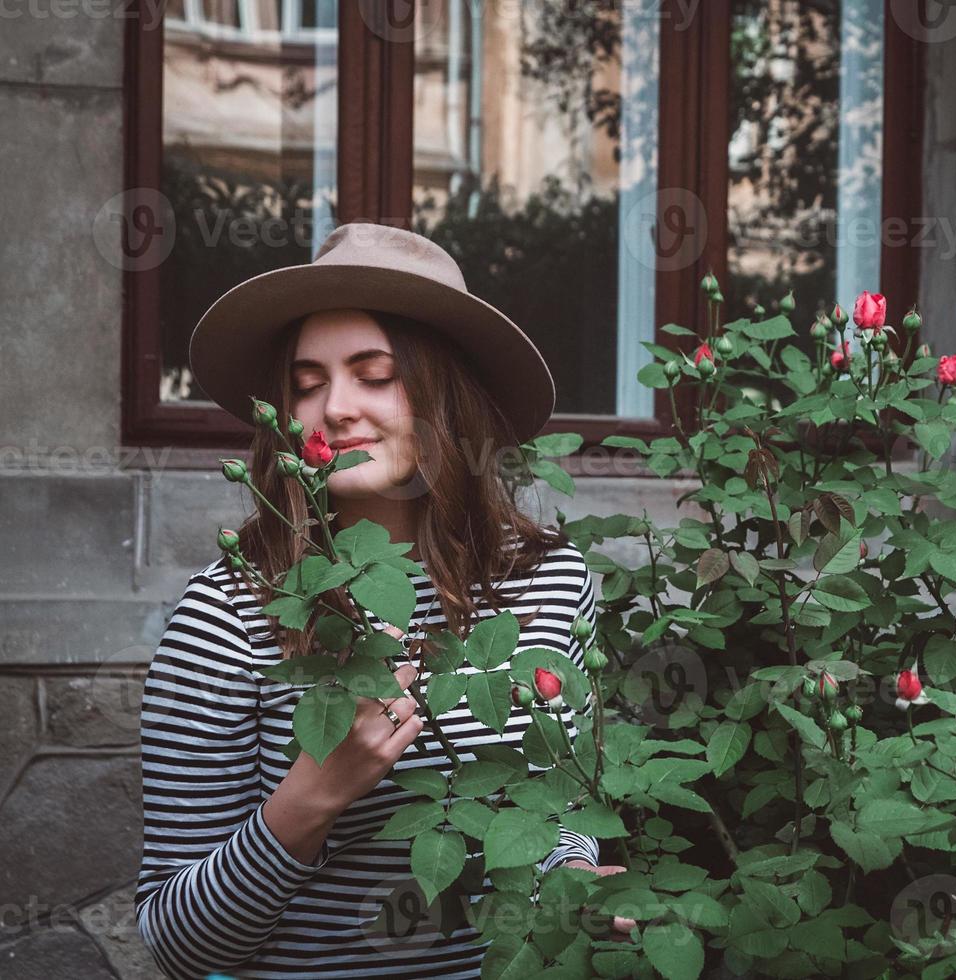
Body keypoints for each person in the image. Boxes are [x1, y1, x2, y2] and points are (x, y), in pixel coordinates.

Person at [135, 222, 633, 979]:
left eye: (374, 374)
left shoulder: (547, 579)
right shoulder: (232, 613)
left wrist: (561, 878)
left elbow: (560, 800)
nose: (333, 407)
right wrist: (311, 796)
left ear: (447, 398)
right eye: (306, 383)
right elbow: (176, 946)